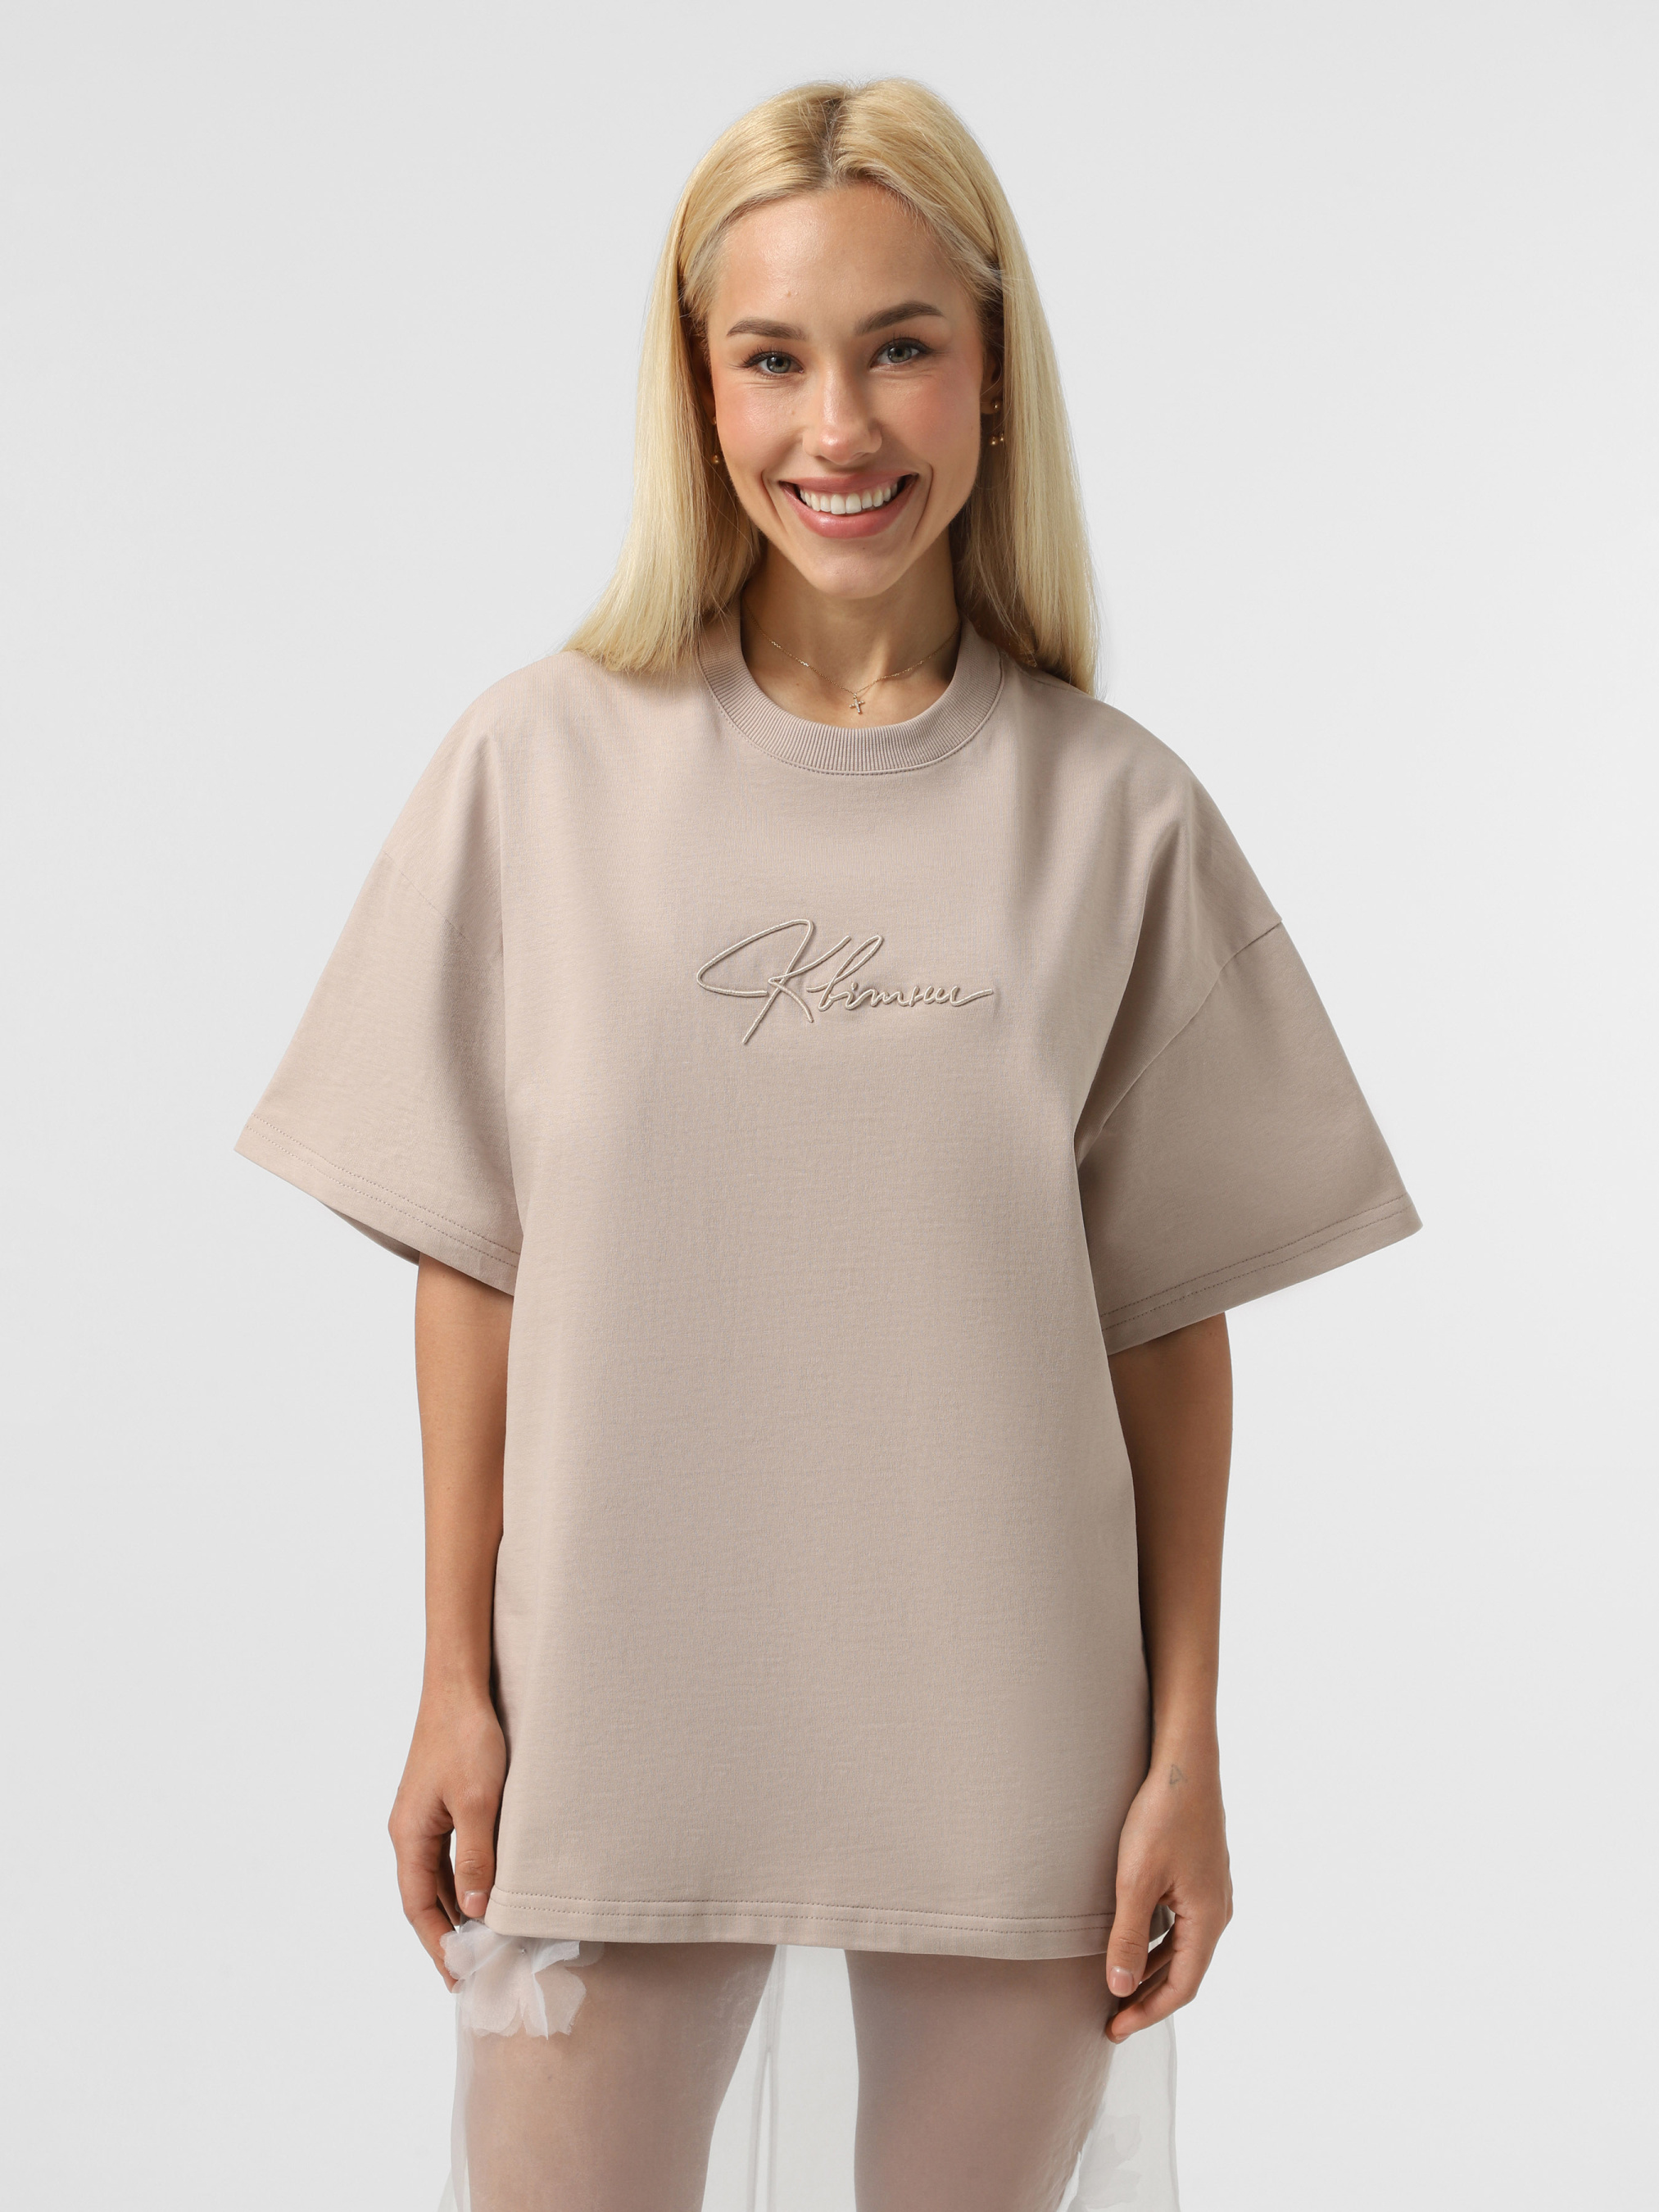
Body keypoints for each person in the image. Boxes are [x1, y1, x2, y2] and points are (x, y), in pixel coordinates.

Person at [236, 76, 1420, 2212]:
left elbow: (1165, 1327)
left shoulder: (1115, 815)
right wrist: (448, 1684)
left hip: (1011, 1749)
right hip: (608, 1721)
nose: (838, 426)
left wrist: (1183, 1753)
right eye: (771, 358)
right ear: (696, 390)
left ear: (993, 369)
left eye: (899, 346)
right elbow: (475, 1264)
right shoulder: (534, 768)